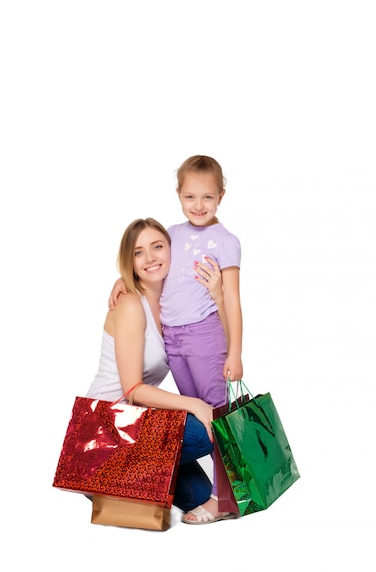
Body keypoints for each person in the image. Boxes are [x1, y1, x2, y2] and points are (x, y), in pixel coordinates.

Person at [109, 155, 244, 524]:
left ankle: (226, 500)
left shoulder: (225, 241)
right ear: (179, 196)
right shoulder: (173, 233)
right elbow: (153, 268)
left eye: (207, 198)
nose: (198, 206)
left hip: (203, 334)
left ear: (221, 196)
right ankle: (134, 477)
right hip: (175, 340)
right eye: (190, 197)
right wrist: (123, 280)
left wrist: (235, 352)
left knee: (216, 416)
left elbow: (231, 300)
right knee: (195, 413)